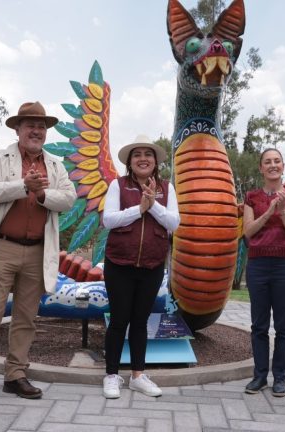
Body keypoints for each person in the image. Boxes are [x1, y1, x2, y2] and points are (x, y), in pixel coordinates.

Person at [0, 101, 75, 412]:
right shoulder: (0, 158)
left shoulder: (56, 165)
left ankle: (15, 374)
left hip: (38, 250)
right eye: (30, 124)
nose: (36, 130)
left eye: (41, 126)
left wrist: (40, 194)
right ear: (17, 128)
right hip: (2, 247)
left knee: (26, 318)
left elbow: (68, 198)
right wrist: (22, 185)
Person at [100, 135, 180, 399]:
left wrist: (152, 204)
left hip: (152, 265)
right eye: (137, 154)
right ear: (130, 162)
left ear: (155, 161)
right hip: (119, 264)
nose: (143, 158)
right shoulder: (118, 185)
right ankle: (111, 375)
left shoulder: (167, 189)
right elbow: (109, 220)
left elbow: (173, 223)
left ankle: (137, 375)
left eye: (148, 154)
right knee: (118, 320)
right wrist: (139, 208)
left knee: (140, 322)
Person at [241, 148, 285, 397]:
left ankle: (280, 377)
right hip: (258, 265)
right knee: (259, 325)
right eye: (267, 162)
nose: (272, 165)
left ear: (283, 165)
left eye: (277, 161)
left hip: (284, 267)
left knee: (283, 325)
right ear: (261, 168)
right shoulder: (251, 197)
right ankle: (259, 376)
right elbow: (248, 231)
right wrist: (268, 211)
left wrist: (284, 208)